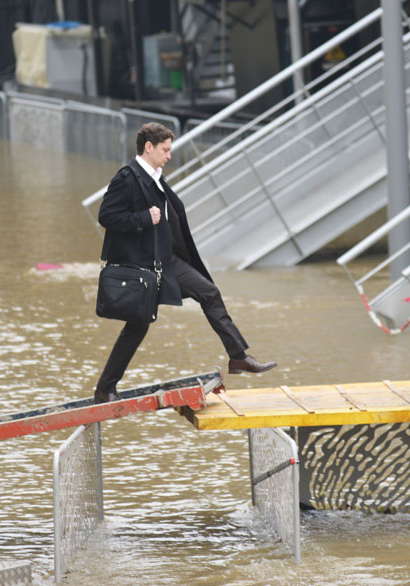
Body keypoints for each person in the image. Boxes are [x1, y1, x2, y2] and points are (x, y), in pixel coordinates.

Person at [94, 123, 276, 404]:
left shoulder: (155, 177)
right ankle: (105, 389)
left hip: (167, 261)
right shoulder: (128, 178)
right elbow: (106, 216)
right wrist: (144, 217)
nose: (169, 156)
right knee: (137, 326)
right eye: (165, 150)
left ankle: (238, 357)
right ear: (149, 147)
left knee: (209, 292)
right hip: (145, 267)